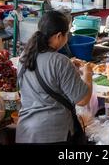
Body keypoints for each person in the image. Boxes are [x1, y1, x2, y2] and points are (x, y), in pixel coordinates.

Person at [16, 10, 92, 144]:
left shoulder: (24, 57)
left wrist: (69, 67)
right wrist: (87, 73)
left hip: (26, 132)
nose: (67, 38)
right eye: (66, 34)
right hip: (54, 134)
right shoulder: (60, 61)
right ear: (58, 36)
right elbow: (82, 99)